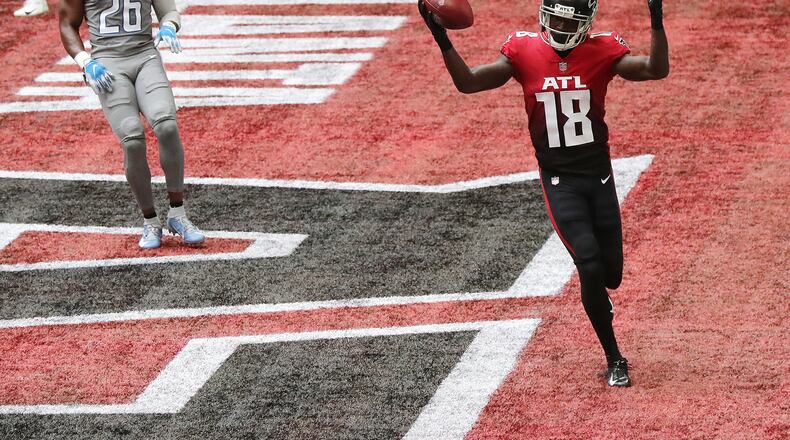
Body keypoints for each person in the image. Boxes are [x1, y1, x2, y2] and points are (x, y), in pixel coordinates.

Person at [418, 0, 669, 387]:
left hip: (599, 177)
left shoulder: (603, 49)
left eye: (568, 22)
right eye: (554, 19)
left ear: (585, 24)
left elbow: (655, 69)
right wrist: (441, 37)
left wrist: (655, 19)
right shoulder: (523, 50)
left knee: (611, 275)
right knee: (589, 265)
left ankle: (598, 297)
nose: (559, 28)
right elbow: (469, 82)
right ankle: (614, 357)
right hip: (559, 180)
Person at [59, 0, 204, 249]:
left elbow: (168, 11)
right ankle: (150, 220)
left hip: (145, 55)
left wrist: (169, 26)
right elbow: (67, 24)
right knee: (132, 138)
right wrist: (85, 61)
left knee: (166, 125)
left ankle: (178, 213)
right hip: (107, 62)